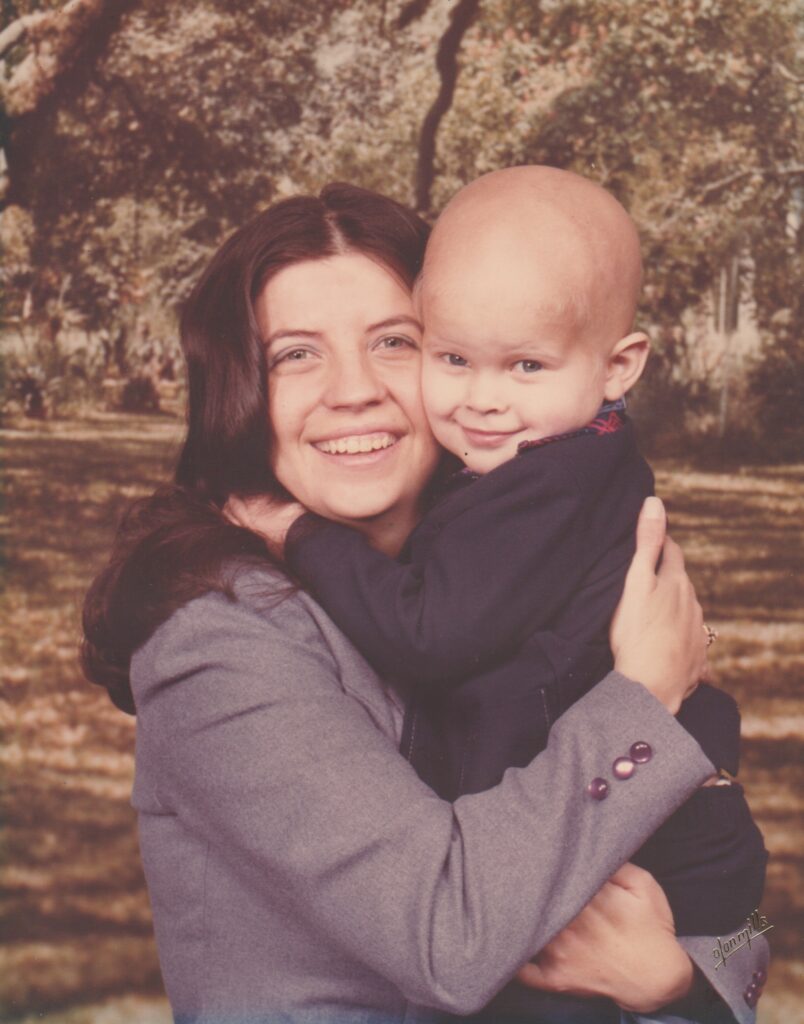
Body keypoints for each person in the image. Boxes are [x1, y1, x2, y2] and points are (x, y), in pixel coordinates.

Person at [82, 183, 769, 1024]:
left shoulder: (538, 565)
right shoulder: (218, 641)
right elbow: (450, 935)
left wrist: (673, 988)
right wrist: (645, 702)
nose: (354, 390)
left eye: (394, 343)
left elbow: (739, 928)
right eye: (296, 354)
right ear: (242, 392)